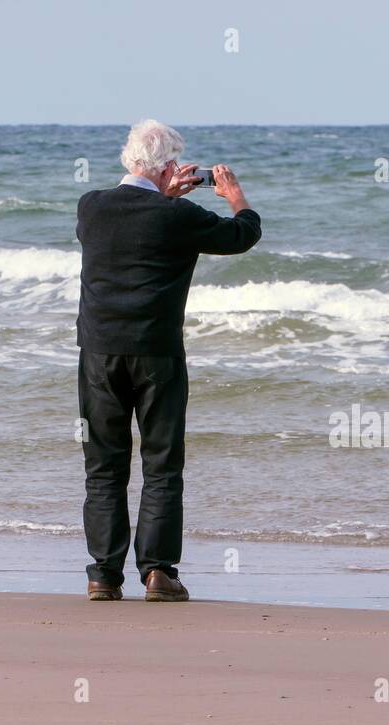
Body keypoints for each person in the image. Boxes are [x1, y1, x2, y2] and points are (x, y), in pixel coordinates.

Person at [76, 120, 262, 601]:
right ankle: (158, 571)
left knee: (104, 464)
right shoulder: (179, 217)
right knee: (160, 464)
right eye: (175, 167)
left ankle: (103, 574)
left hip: (99, 353)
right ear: (164, 168)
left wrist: (166, 196)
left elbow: (137, 226)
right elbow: (243, 235)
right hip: (157, 353)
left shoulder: (91, 207)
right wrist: (235, 194)